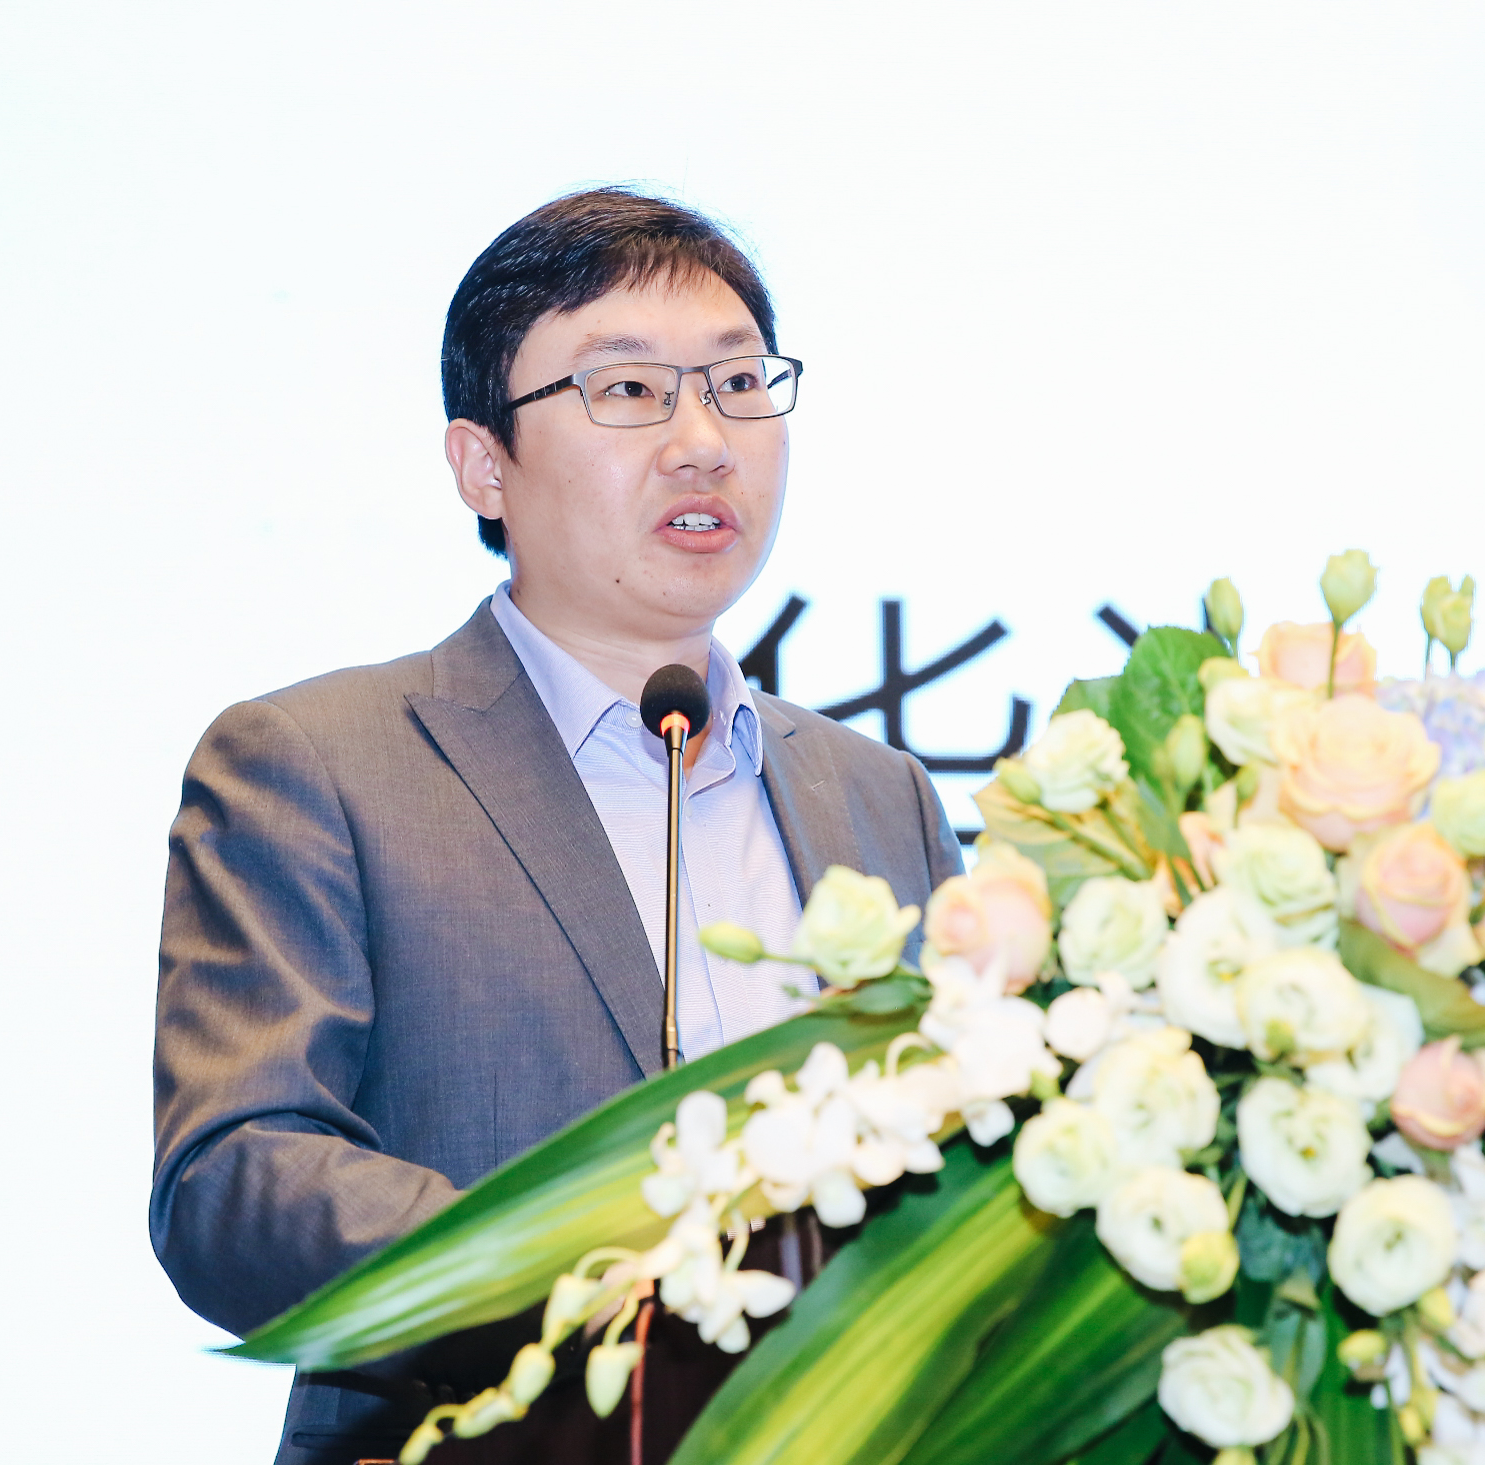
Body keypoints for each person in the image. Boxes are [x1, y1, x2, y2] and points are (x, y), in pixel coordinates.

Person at [151, 188, 964, 1464]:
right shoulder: (317, 762)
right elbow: (235, 1177)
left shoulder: (883, 799)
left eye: (738, 384)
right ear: (483, 462)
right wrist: (593, 1271)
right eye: (628, 390)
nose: (704, 442)